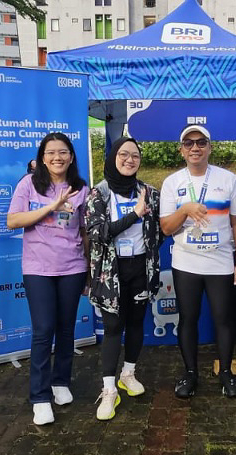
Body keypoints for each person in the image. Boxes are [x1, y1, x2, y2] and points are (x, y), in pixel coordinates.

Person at [6, 132, 89, 426]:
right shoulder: (29, 184)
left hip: (72, 267)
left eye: (63, 152)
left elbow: (84, 231)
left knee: (66, 328)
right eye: (51, 152)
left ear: (71, 156)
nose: (57, 157)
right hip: (38, 268)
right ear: (42, 157)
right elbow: (13, 220)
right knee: (43, 330)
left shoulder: (80, 188)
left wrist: (89, 269)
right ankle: (40, 397)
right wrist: (51, 207)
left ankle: (60, 381)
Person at [159, 125, 236, 398]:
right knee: (188, 318)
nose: (195, 148)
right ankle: (190, 373)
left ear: (210, 147)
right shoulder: (172, 182)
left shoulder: (228, 179)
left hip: (220, 262)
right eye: (189, 143)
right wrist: (185, 210)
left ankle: (226, 373)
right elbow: (166, 228)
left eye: (200, 142)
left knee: (223, 319)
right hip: (186, 262)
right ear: (181, 150)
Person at [85, 137, 162, 420]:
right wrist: (134, 214)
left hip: (140, 268)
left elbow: (158, 232)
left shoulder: (149, 193)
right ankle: (109, 390)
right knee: (113, 327)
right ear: (113, 157)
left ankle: (128, 374)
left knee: (137, 322)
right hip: (110, 272)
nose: (130, 160)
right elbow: (98, 234)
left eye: (135, 156)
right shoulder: (98, 194)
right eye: (123, 155)